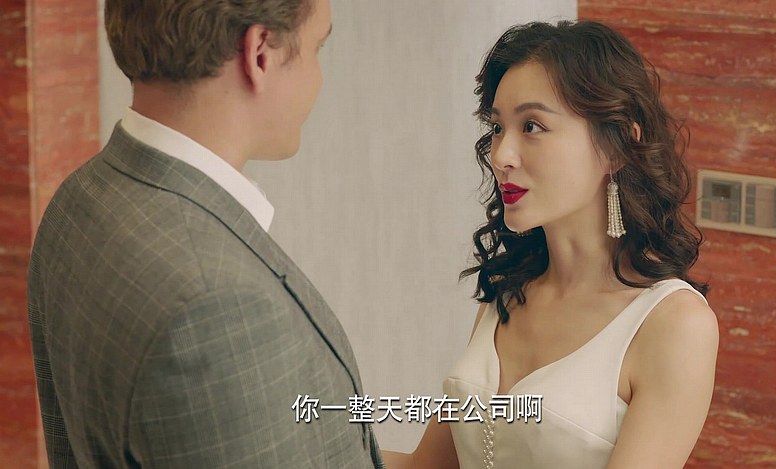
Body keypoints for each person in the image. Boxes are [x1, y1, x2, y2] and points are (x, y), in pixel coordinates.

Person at [27, 0, 384, 467]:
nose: (319, 77)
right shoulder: (219, 309)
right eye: (318, 47)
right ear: (260, 53)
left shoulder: (80, 199)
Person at [384, 20, 719, 469]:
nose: (501, 155)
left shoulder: (673, 325)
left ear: (618, 146)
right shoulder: (506, 294)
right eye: (497, 127)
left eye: (532, 126)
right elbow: (427, 467)